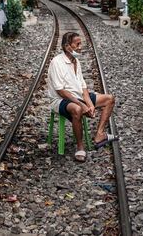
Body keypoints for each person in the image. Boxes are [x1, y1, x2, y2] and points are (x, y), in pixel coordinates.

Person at [46, 32, 117, 163]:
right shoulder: (57, 62)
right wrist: (82, 105)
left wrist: (89, 104)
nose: (80, 47)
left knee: (109, 99)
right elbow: (61, 91)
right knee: (77, 109)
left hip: (78, 96)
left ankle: (100, 135)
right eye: (77, 44)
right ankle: (80, 146)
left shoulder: (76, 61)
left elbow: (83, 87)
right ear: (67, 46)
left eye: (80, 44)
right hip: (60, 100)